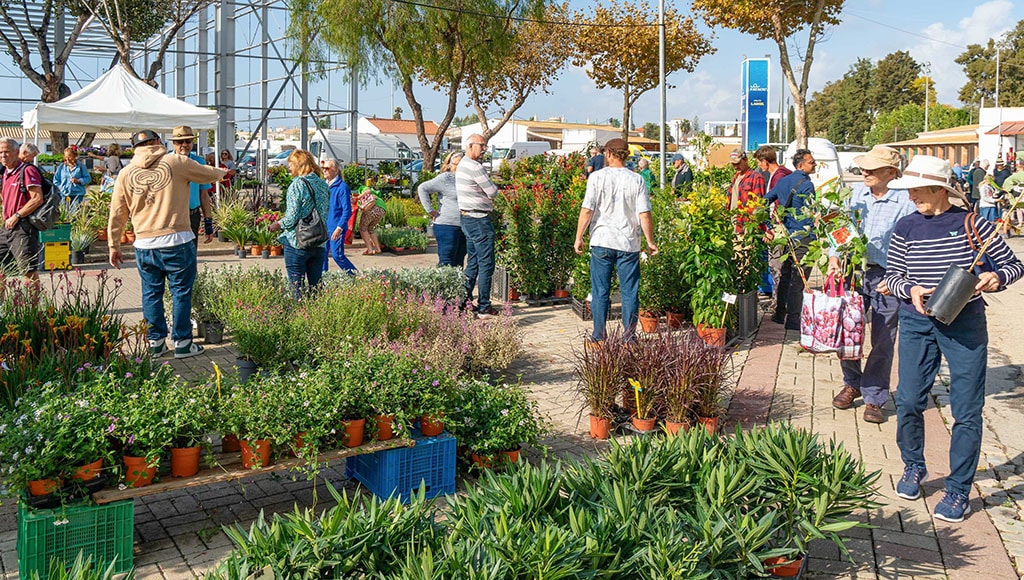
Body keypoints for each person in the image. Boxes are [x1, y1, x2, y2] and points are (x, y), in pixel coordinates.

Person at [883, 155, 1024, 523]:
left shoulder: (972, 224)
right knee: (910, 400)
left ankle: (959, 488)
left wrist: (995, 278)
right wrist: (910, 288)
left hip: (965, 325)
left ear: (940, 189)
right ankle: (914, 465)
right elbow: (894, 274)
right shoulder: (905, 227)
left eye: (918, 190)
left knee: (966, 409)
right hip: (916, 323)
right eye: (910, 190)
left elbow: (1013, 265)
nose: (912, 196)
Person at [108, 129, 226, 359]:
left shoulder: (125, 173)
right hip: (176, 238)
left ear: (134, 148)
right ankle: (182, 342)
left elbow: (117, 213)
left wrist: (114, 245)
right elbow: (208, 174)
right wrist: (224, 171)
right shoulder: (176, 162)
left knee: (151, 293)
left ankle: (155, 342)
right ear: (160, 142)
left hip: (143, 242)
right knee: (180, 292)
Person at [828, 145, 917, 424]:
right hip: (854, 271)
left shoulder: (906, 202)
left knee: (883, 338)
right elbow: (840, 227)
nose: (865, 172)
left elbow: (912, 244)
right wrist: (833, 256)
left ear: (891, 173)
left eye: (873, 169)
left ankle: (875, 396)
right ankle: (852, 382)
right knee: (848, 331)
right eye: (865, 167)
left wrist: (898, 278)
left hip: (887, 276)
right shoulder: (855, 195)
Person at [573, 138, 658, 344]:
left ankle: (599, 336)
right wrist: (650, 240)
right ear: (626, 155)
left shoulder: (596, 178)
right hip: (628, 242)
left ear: (609, 153)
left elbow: (587, 209)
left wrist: (579, 237)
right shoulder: (636, 179)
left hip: (602, 239)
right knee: (629, 292)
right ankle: (629, 337)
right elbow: (644, 213)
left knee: (600, 291)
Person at [764, 149, 817, 330]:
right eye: (811, 162)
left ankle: (780, 314)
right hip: (802, 236)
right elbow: (809, 213)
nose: (815, 164)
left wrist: (768, 226)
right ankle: (793, 321)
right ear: (800, 165)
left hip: (785, 235)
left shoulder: (784, 181)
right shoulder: (807, 185)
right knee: (799, 278)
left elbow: (764, 200)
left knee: (786, 274)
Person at [266, 149, 330, 297]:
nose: (289, 168)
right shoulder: (323, 184)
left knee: (297, 288)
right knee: (316, 288)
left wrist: (277, 225)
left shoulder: (297, 185)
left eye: (291, 164)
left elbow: (292, 218)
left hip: (298, 242)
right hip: (319, 241)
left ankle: (300, 316)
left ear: (299, 165)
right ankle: (318, 317)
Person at [457, 133, 500, 318]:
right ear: (470, 145)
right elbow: (492, 192)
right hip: (479, 219)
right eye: (481, 146)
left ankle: (465, 302)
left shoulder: (462, 165)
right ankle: (484, 306)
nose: (484, 149)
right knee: (486, 264)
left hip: (467, 218)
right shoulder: (475, 167)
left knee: (473, 262)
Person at [0, 137, 44, 279]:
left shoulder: (27, 171)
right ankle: (2, 301)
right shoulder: (6, 173)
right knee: (2, 268)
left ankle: (32, 302)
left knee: (28, 271)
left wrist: (16, 215)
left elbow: (37, 198)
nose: (3, 156)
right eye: (0, 153)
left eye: (6, 152)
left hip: (23, 228)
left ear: (17, 152)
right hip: (6, 227)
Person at [418, 150, 467, 267]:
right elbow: (422, 188)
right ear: (450, 165)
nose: (460, 167)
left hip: (466, 226)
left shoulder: (467, 179)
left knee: (459, 262)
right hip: (447, 225)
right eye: (457, 164)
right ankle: (442, 285)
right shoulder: (445, 178)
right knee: (446, 261)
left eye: (463, 164)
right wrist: (430, 210)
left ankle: (456, 285)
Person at [168, 126, 213, 249]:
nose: (184, 145)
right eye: (180, 142)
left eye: (188, 141)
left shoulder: (199, 163)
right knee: (173, 254)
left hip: (192, 216)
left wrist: (208, 224)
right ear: (173, 143)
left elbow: (204, 195)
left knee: (191, 254)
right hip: (171, 217)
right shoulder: (166, 163)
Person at [322, 158, 357, 274]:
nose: (324, 170)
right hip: (323, 227)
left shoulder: (342, 187)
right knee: (322, 255)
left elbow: (347, 210)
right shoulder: (323, 186)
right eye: (323, 168)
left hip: (336, 227)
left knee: (337, 256)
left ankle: (355, 277)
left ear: (335, 170)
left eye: (327, 168)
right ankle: (322, 280)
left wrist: (339, 227)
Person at [356, 186, 385, 255]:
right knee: (370, 228)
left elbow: (368, 191)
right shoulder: (376, 194)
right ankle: (378, 249)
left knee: (363, 228)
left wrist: (358, 197)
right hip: (382, 210)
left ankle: (370, 250)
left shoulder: (362, 189)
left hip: (373, 208)